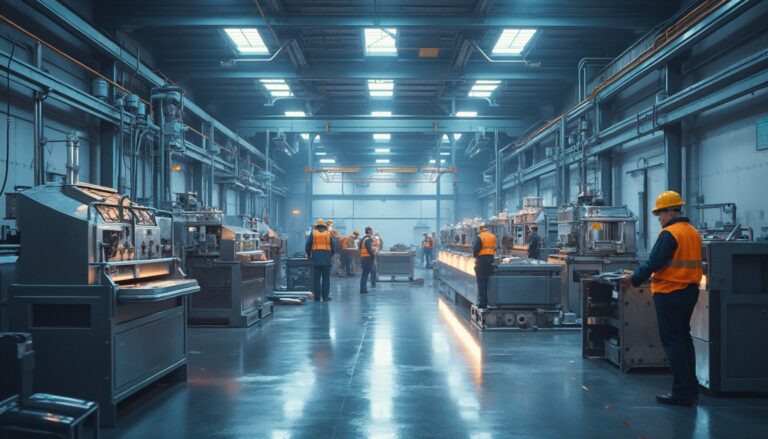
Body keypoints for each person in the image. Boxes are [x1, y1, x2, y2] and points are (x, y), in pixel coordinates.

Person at [619, 190, 702, 407]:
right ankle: (691, 389)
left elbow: (655, 262)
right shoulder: (693, 232)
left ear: (671, 212)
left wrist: (633, 279)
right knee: (684, 339)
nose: (659, 218)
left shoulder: (670, 234)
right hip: (690, 291)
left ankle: (681, 393)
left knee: (673, 342)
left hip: (669, 292)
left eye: (660, 214)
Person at [305, 218, 336, 302]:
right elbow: (333, 247)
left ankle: (317, 297)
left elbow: (307, 246)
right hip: (326, 260)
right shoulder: (328, 234)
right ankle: (325, 297)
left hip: (316, 261)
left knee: (316, 280)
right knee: (326, 279)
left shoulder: (313, 234)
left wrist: (308, 255)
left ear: (317, 226)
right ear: (324, 226)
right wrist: (330, 255)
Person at [472, 223, 496, 309]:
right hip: (490, 260)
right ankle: (492, 301)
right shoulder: (493, 236)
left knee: (481, 281)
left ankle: (483, 303)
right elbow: (494, 248)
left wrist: (474, 255)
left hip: (481, 261)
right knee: (488, 280)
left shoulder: (480, 236)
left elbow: (476, 249)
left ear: (481, 229)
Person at [359, 227, 375, 294]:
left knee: (364, 274)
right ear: (368, 232)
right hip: (367, 258)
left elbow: (360, 247)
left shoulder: (363, 239)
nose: (372, 233)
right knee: (365, 274)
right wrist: (373, 255)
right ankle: (363, 290)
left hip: (363, 258)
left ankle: (363, 289)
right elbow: (369, 249)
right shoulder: (367, 239)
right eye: (371, 231)